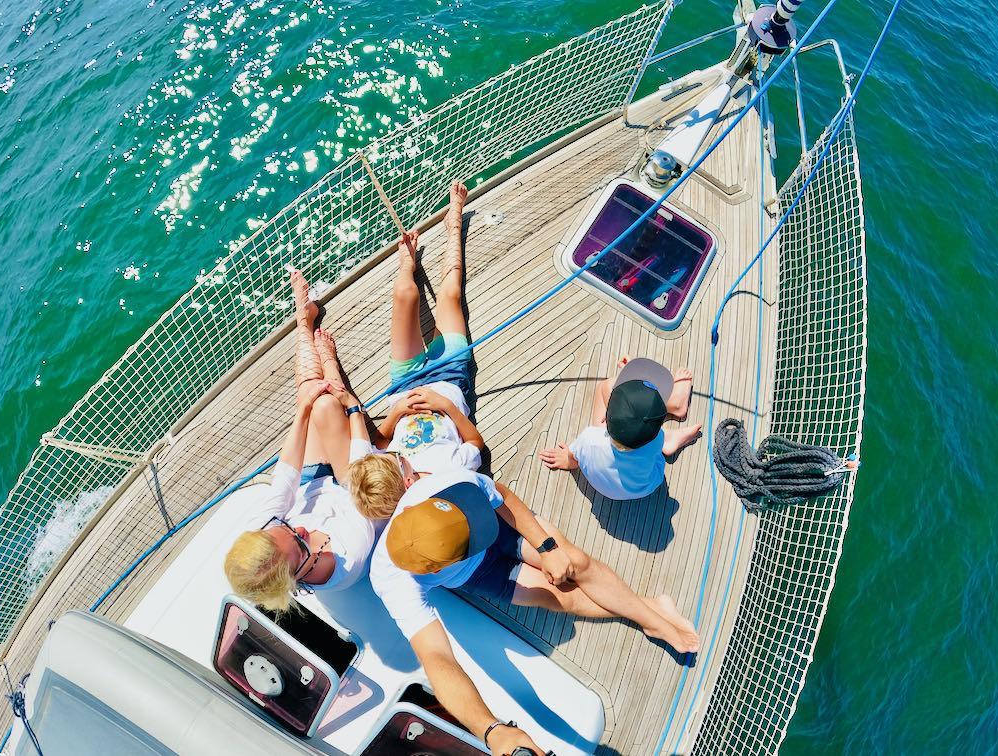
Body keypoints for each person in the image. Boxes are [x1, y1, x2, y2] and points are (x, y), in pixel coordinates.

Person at [369, 466, 700, 755]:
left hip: (502, 528)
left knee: (575, 564)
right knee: (562, 597)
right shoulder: (394, 583)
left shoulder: (442, 490)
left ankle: (656, 621)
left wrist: (548, 547)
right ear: (432, 570)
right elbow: (437, 660)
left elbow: (502, 498)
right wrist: (491, 730)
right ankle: (648, 609)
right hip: (480, 573)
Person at [223, 270, 378, 610]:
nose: (302, 530)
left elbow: (286, 478)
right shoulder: (349, 556)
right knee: (329, 405)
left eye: (289, 527)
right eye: (299, 540)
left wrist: (302, 411)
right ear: (295, 576)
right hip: (353, 490)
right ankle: (328, 362)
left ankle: (303, 322)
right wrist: (353, 413)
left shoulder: (261, 536)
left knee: (313, 399)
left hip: (312, 484)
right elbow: (363, 487)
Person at [347, 180, 484, 518]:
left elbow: (380, 441)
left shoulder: (383, 469)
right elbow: (476, 445)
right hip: (450, 378)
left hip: (404, 384)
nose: (399, 460)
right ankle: (454, 223)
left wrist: (395, 415)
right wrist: (445, 407)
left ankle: (406, 262)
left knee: (405, 296)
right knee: (450, 295)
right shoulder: (449, 472)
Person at [538, 357, 703, 500]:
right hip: (646, 486)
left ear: (605, 418)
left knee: (605, 386)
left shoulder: (589, 439)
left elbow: (573, 460)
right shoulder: (655, 440)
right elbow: (643, 421)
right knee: (629, 401)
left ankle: (671, 428)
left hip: (607, 490)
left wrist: (566, 460)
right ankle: (674, 411)